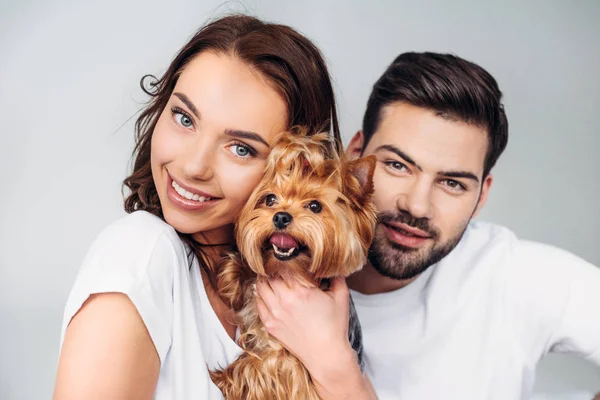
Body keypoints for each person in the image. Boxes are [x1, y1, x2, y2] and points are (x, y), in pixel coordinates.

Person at [53, 14, 374, 399]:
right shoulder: (140, 254)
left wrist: (334, 362)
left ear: (297, 166)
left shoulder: (311, 306)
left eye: (241, 148)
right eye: (184, 118)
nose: (193, 166)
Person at [256, 52, 600, 399]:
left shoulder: (514, 277)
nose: (417, 205)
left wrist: (335, 366)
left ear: (481, 195)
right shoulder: (254, 267)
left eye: (452, 183)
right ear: (355, 156)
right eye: (397, 165)